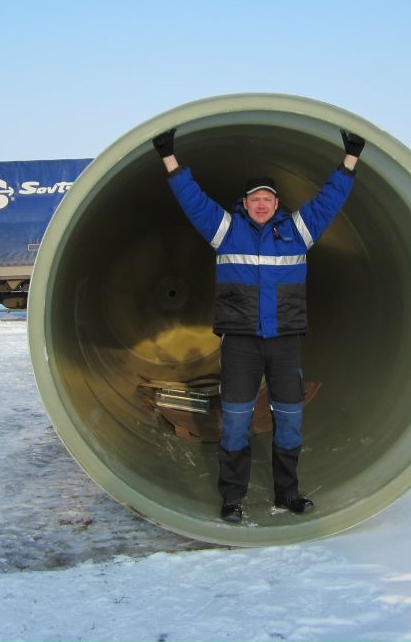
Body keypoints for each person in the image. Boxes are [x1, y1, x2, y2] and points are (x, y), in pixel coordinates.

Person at [152, 126, 366, 523]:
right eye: (255, 199)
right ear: (245, 204)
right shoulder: (226, 232)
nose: (261, 204)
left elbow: (328, 202)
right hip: (240, 344)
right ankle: (232, 498)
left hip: (284, 344)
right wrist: (170, 159)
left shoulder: (297, 233)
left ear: (277, 203)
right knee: (235, 422)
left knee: (290, 421)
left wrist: (349, 161)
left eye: (267, 198)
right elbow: (194, 202)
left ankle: (288, 493)